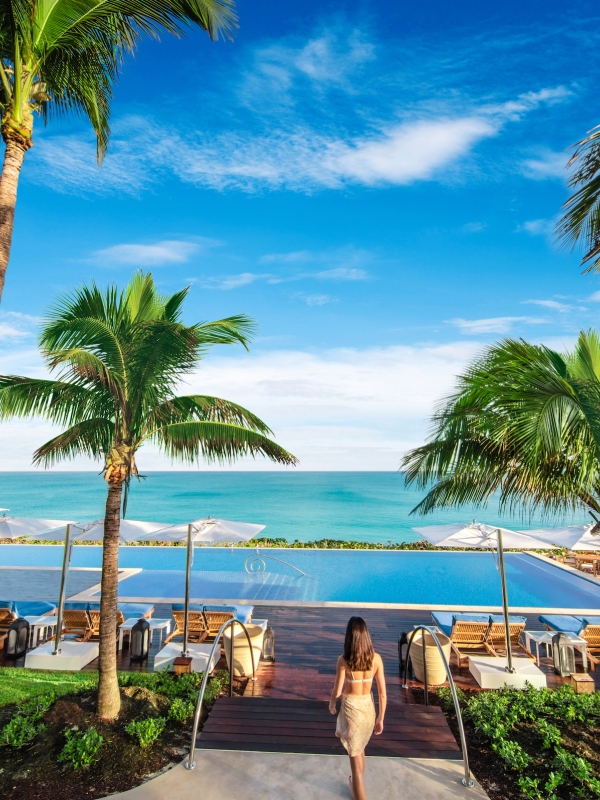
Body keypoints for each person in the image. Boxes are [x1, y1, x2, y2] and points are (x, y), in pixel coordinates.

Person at [329, 616, 386, 800]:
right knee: (360, 748)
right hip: (368, 711)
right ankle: (355, 783)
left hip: (352, 713)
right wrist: (381, 718)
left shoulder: (343, 661)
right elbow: (383, 694)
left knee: (355, 756)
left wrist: (331, 704)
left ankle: (357, 785)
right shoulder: (376, 659)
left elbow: (337, 691)